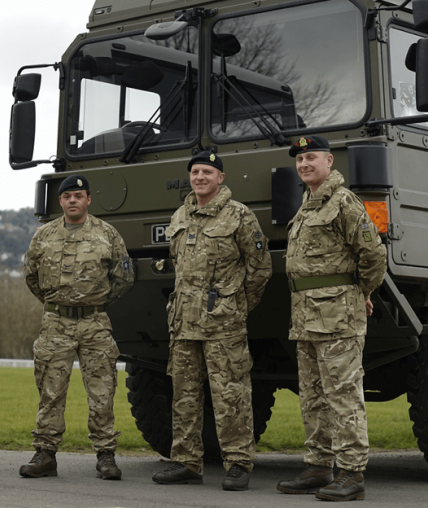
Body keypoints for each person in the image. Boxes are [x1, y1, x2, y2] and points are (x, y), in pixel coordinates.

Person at [151, 151, 271, 491]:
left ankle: (238, 463)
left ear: (221, 177)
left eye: (207, 172)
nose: (200, 177)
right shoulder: (180, 215)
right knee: (184, 396)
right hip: (185, 323)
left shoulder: (240, 216)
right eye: (195, 172)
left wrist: (235, 305)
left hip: (223, 325)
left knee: (230, 394)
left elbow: (260, 268)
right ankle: (186, 462)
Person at [277, 136, 386, 501]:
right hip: (306, 316)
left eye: (311, 157)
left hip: (338, 315)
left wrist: (362, 293)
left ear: (328, 161)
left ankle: (352, 473)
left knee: (342, 394)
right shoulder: (308, 204)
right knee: (313, 396)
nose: (304, 164)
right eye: (300, 159)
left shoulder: (343, 202)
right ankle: (319, 466)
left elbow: (372, 253)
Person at [19, 174, 134, 481]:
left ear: (88, 200)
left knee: (102, 391)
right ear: (60, 201)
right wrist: (58, 302)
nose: (73, 200)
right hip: (56, 323)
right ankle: (45, 453)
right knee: (50, 391)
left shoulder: (107, 234)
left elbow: (124, 276)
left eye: (79, 195)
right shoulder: (44, 235)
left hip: (95, 322)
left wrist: (95, 301)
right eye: (67, 196)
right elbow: (31, 276)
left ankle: (106, 455)